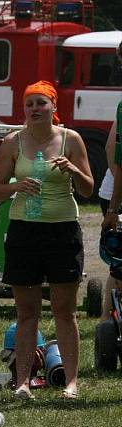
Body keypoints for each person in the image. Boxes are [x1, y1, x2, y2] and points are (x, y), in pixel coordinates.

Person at [0, 80, 93, 401]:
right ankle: (22, 382)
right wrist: (16, 186)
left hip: (62, 230)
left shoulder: (70, 140)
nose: (34, 109)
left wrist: (73, 169)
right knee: (26, 312)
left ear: (53, 108)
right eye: (29, 104)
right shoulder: (13, 142)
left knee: (64, 310)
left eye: (40, 103)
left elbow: (88, 189)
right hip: (24, 231)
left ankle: (71, 382)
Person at [99, 40, 122, 319]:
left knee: (118, 266)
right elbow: (114, 153)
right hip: (115, 193)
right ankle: (107, 319)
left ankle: (107, 320)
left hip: (113, 190)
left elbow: (109, 148)